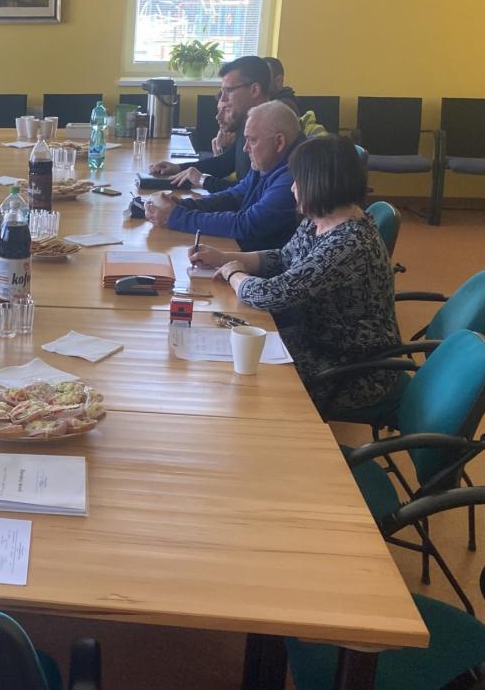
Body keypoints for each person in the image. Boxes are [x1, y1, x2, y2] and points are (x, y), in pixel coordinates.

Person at [190, 133, 402, 419]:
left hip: (350, 369)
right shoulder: (321, 219)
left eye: (298, 180)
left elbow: (270, 295)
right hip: (315, 340)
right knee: (231, 357)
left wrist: (234, 273)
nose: (292, 188)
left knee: (237, 384)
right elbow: (283, 258)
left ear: (319, 183)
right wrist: (223, 257)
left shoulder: (349, 244)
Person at [144, 100, 302, 252]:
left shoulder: (294, 175)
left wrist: (177, 217)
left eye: (252, 141)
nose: (245, 149)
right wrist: (184, 205)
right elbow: (234, 197)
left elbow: (247, 225)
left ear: (279, 142)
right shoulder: (269, 161)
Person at [149, 55, 271, 192]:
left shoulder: (270, 133)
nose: (223, 98)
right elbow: (226, 163)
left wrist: (202, 180)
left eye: (228, 91)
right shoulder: (247, 123)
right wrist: (179, 168)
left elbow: (251, 192)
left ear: (254, 90)